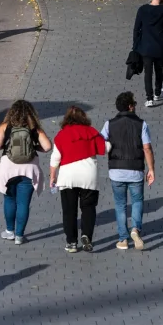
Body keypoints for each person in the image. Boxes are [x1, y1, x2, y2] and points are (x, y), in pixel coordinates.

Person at [0, 100, 53, 245]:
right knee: (23, 203)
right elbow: (48, 146)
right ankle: (19, 236)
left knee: (9, 199)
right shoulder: (34, 128)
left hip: (8, 169)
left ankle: (9, 231)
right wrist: (35, 148)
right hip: (29, 170)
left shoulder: (5, 127)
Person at [100, 92, 155, 250]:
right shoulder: (141, 124)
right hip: (135, 170)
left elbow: (100, 142)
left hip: (116, 170)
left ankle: (123, 239)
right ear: (130, 106)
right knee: (137, 201)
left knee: (120, 205)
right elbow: (147, 148)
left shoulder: (109, 124)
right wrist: (151, 169)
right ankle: (135, 229)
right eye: (135, 103)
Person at [50, 106, 106, 254]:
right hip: (89, 175)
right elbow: (106, 148)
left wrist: (52, 177)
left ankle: (71, 242)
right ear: (84, 118)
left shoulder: (61, 135)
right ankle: (86, 235)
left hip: (67, 176)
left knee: (69, 211)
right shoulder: (91, 132)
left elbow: (55, 159)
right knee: (88, 208)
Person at [132, 0, 163, 106]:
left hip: (145, 47)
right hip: (160, 47)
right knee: (159, 70)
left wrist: (135, 45)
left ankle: (149, 98)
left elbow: (136, 29)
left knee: (148, 73)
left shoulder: (142, 9)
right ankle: (157, 93)